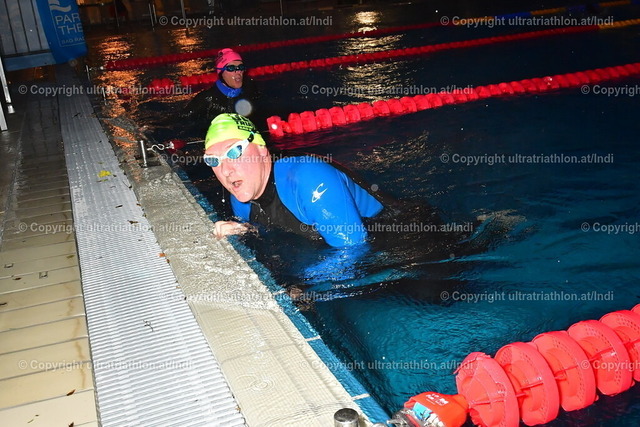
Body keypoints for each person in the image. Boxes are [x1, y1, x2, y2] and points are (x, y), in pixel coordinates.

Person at [204, 113, 385, 247]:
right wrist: (246, 230)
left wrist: (305, 283)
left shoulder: (307, 176)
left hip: (387, 233)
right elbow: (269, 231)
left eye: (234, 152)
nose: (225, 170)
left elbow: (354, 250)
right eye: (213, 160)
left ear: (261, 150)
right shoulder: (240, 194)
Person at [182, 48, 261, 137]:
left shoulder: (250, 91)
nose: (238, 71)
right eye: (231, 68)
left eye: (241, 67)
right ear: (220, 72)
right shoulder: (207, 98)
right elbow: (181, 121)